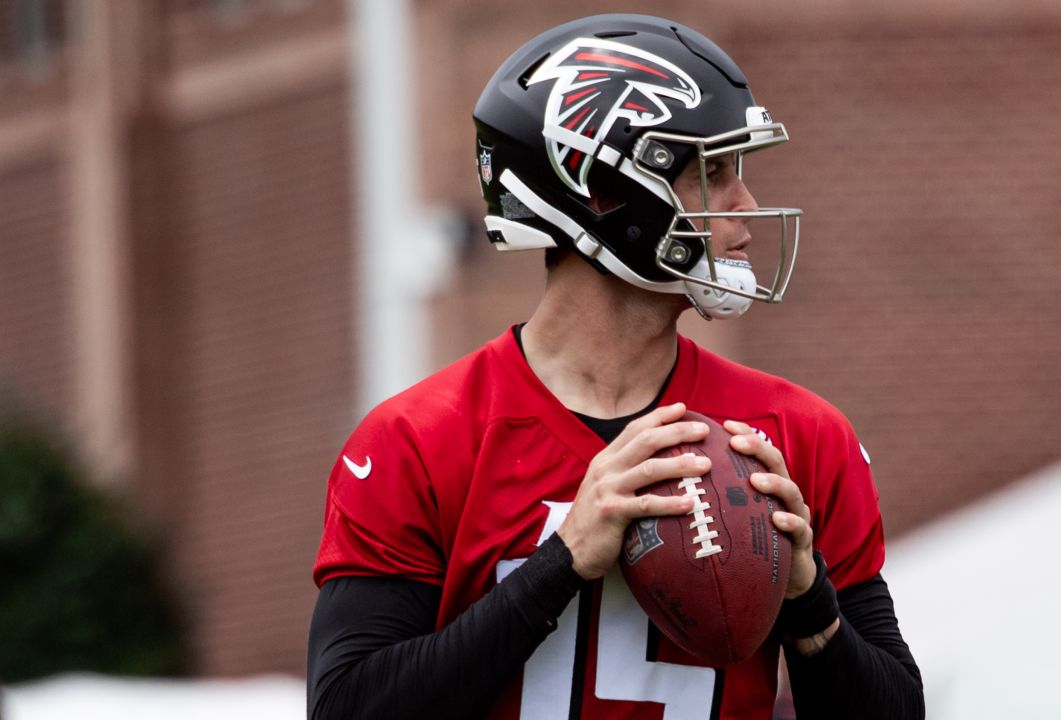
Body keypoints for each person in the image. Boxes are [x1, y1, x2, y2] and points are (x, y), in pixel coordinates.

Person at [307, 13, 923, 720]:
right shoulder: (417, 442)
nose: (745, 206)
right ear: (601, 191)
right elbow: (346, 709)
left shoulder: (796, 435)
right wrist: (560, 564)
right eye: (712, 172)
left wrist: (811, 603)